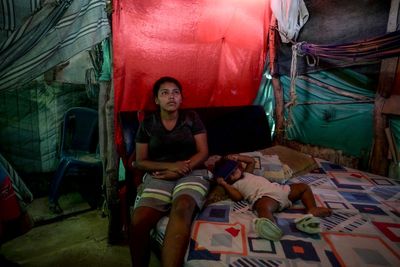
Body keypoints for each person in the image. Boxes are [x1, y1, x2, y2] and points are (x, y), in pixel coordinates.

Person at [129, 76, 209, 267]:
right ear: (156, 100)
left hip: (193, 171)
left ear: (181, 98)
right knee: (139, 221)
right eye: (164, 93)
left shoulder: (192, 118)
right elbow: (140, 161)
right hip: (160, 175)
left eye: (175, 92)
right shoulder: (148, 124)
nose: (171, 97)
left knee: (182, 207)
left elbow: (204, 152)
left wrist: (181, 170)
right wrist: (170, 167)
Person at [213, 154, 332, 241]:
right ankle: (270, 227)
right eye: (232, 174)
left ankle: (312, 210)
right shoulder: (234, 185)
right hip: (265, 197)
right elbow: (237, 197)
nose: (236, 172)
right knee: (263, 207)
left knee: (303, 187)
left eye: (236, 168)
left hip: (281, 190)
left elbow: (252, 161)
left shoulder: (247, 173)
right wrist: (224, 184)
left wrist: (238, 157)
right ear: (227, 178)